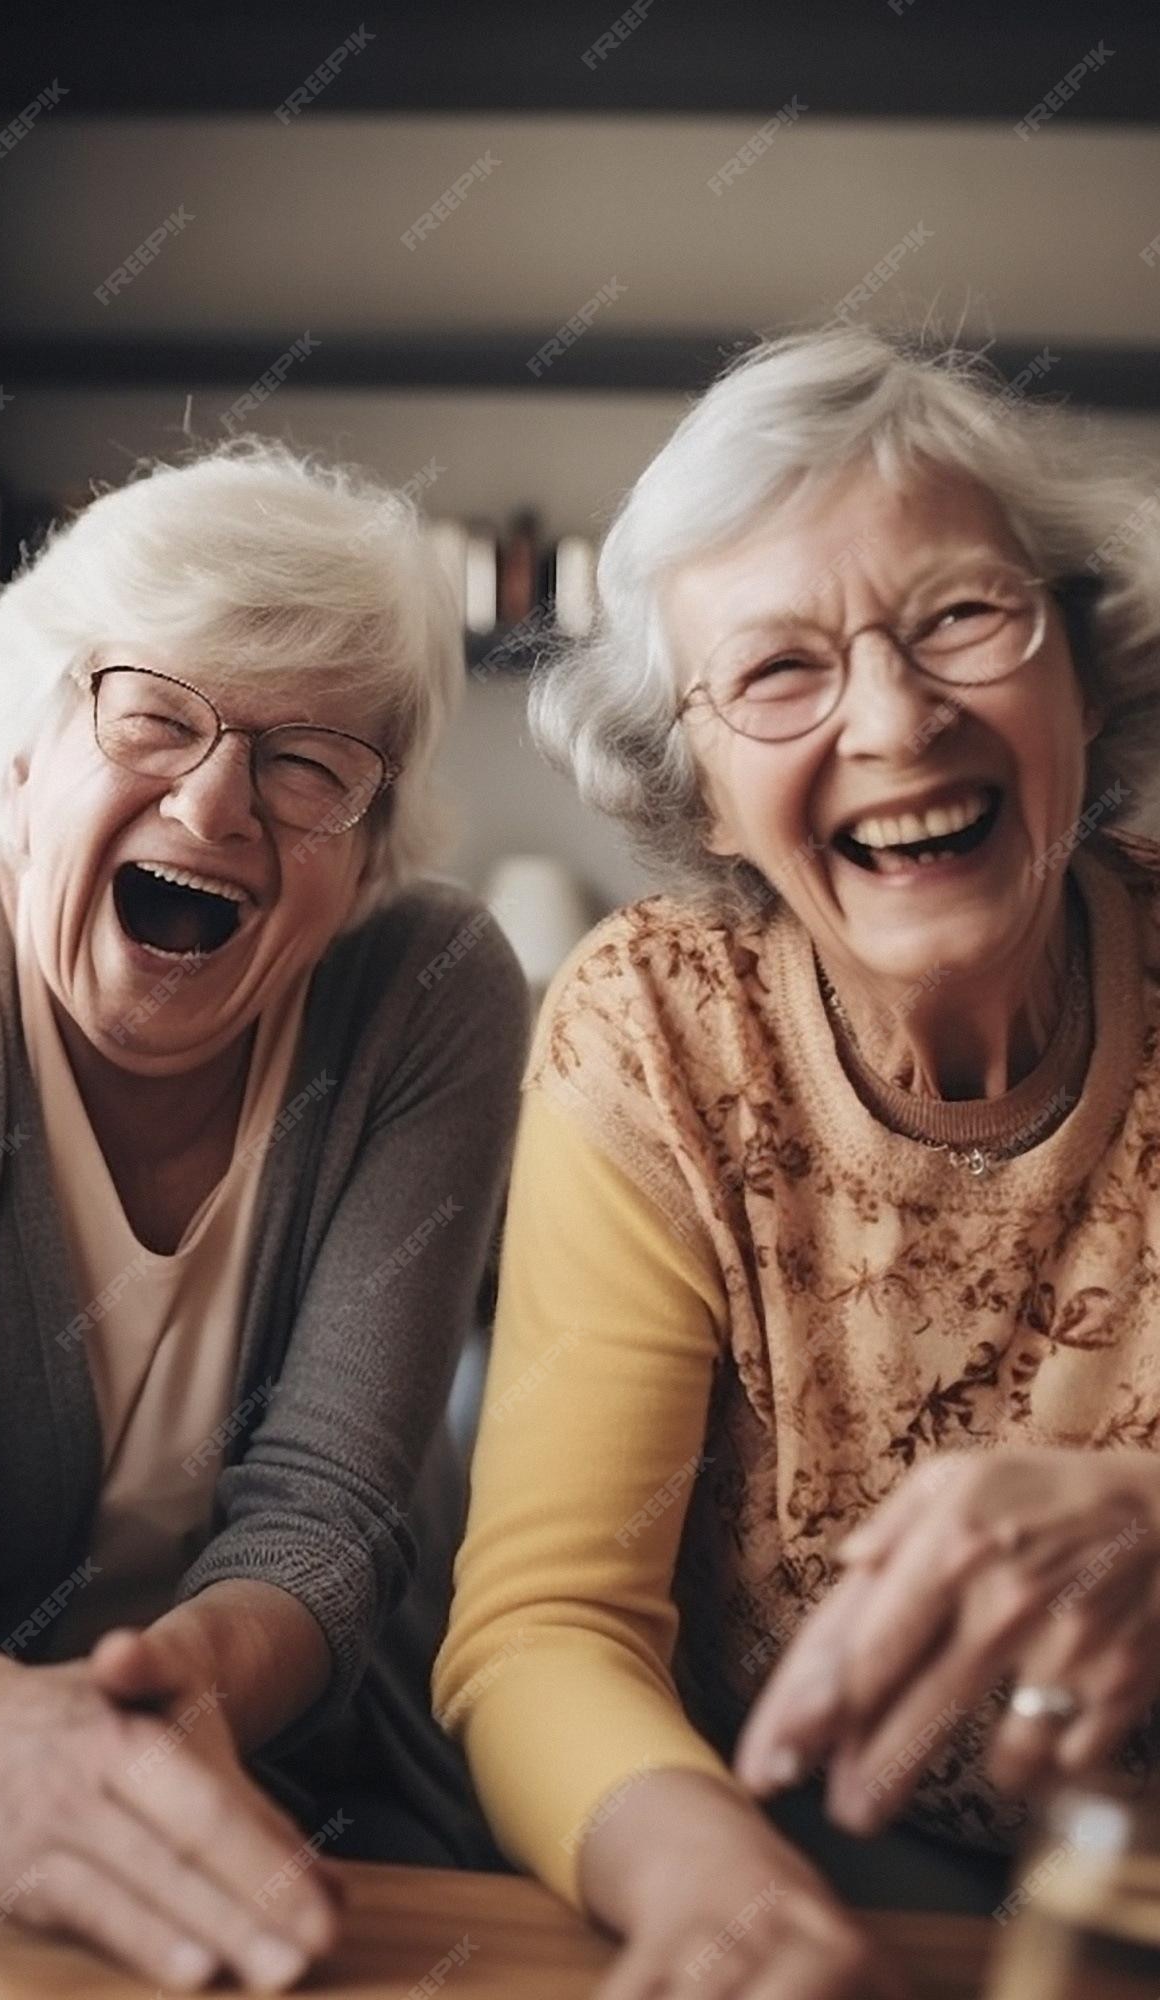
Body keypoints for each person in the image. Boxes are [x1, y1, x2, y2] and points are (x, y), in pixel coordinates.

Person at [0, 443, 528, 1992]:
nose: (217, 800)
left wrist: (178, 1701)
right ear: (22, 760)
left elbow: (331, 1505)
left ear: (363, 858)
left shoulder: (428, 994)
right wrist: (11, 1755)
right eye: (153, 715)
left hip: (296, 1743)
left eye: (309, 765)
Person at [437, 324, 1160, 1999]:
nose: (897, 720)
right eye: (780, 671)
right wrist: (720, 1903)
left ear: (1086, 665)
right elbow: (551, 1623)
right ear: (699, 782)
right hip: (807, 1862)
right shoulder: (660, 1035)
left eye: (962, 618)